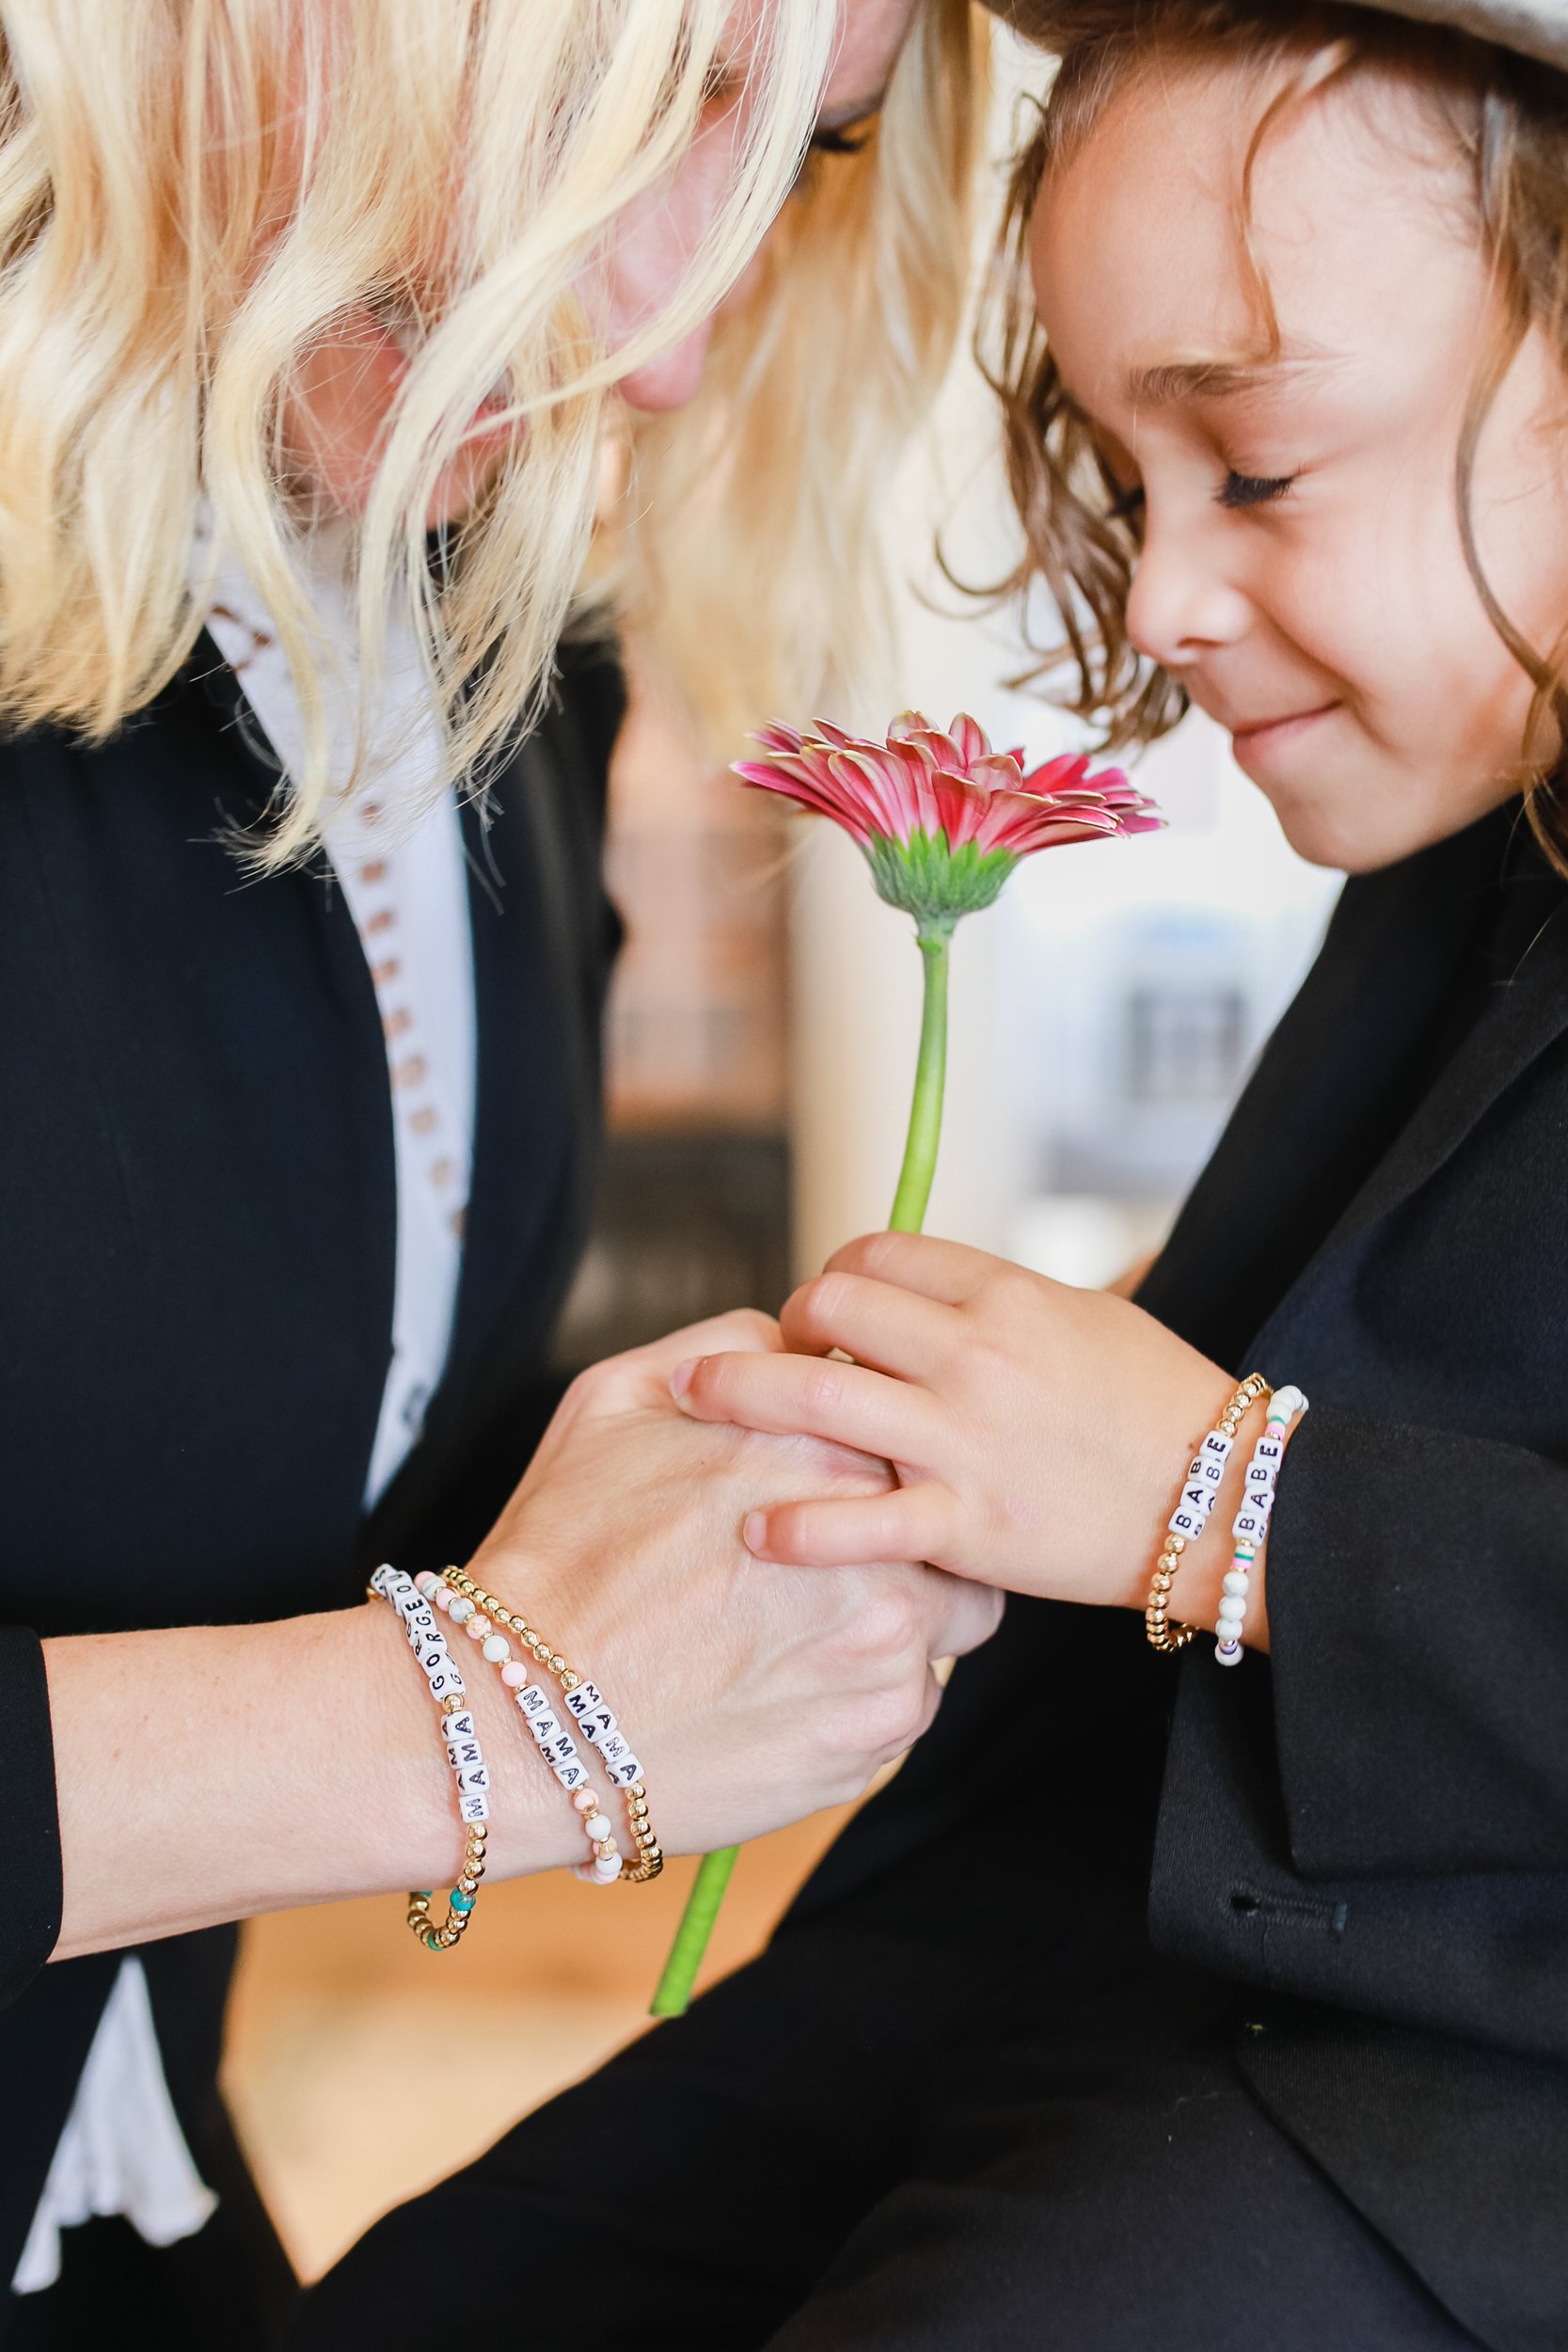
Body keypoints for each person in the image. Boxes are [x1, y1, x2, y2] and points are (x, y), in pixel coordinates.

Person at [292, 4, 1568, 2348]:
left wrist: (1224, 1498)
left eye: (1261, 471)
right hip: (1118, 1933)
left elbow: (1246, 1478)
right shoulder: (1474, 852)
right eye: (1124, 476)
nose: (1168, 600)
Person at [0, 4, 1000, 2342]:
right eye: (620, 105)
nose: (666, 330)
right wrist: (488, 1716)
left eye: (802, 154)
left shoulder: (484, 606)